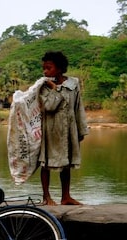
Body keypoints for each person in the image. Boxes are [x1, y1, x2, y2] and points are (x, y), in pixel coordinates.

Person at [38, 51, 89, 205]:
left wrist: (81, 130)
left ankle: (65, 196)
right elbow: (49, 106)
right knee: (46, 162)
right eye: (44, 69)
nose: (45, 72)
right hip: (51, 130)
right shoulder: (43, 86)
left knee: (66, 163)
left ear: (59, 68)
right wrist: (54, 88)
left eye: (49, 68)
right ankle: (46, 197)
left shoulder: (73, 83)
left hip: (69, 129)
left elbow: (78, 106)